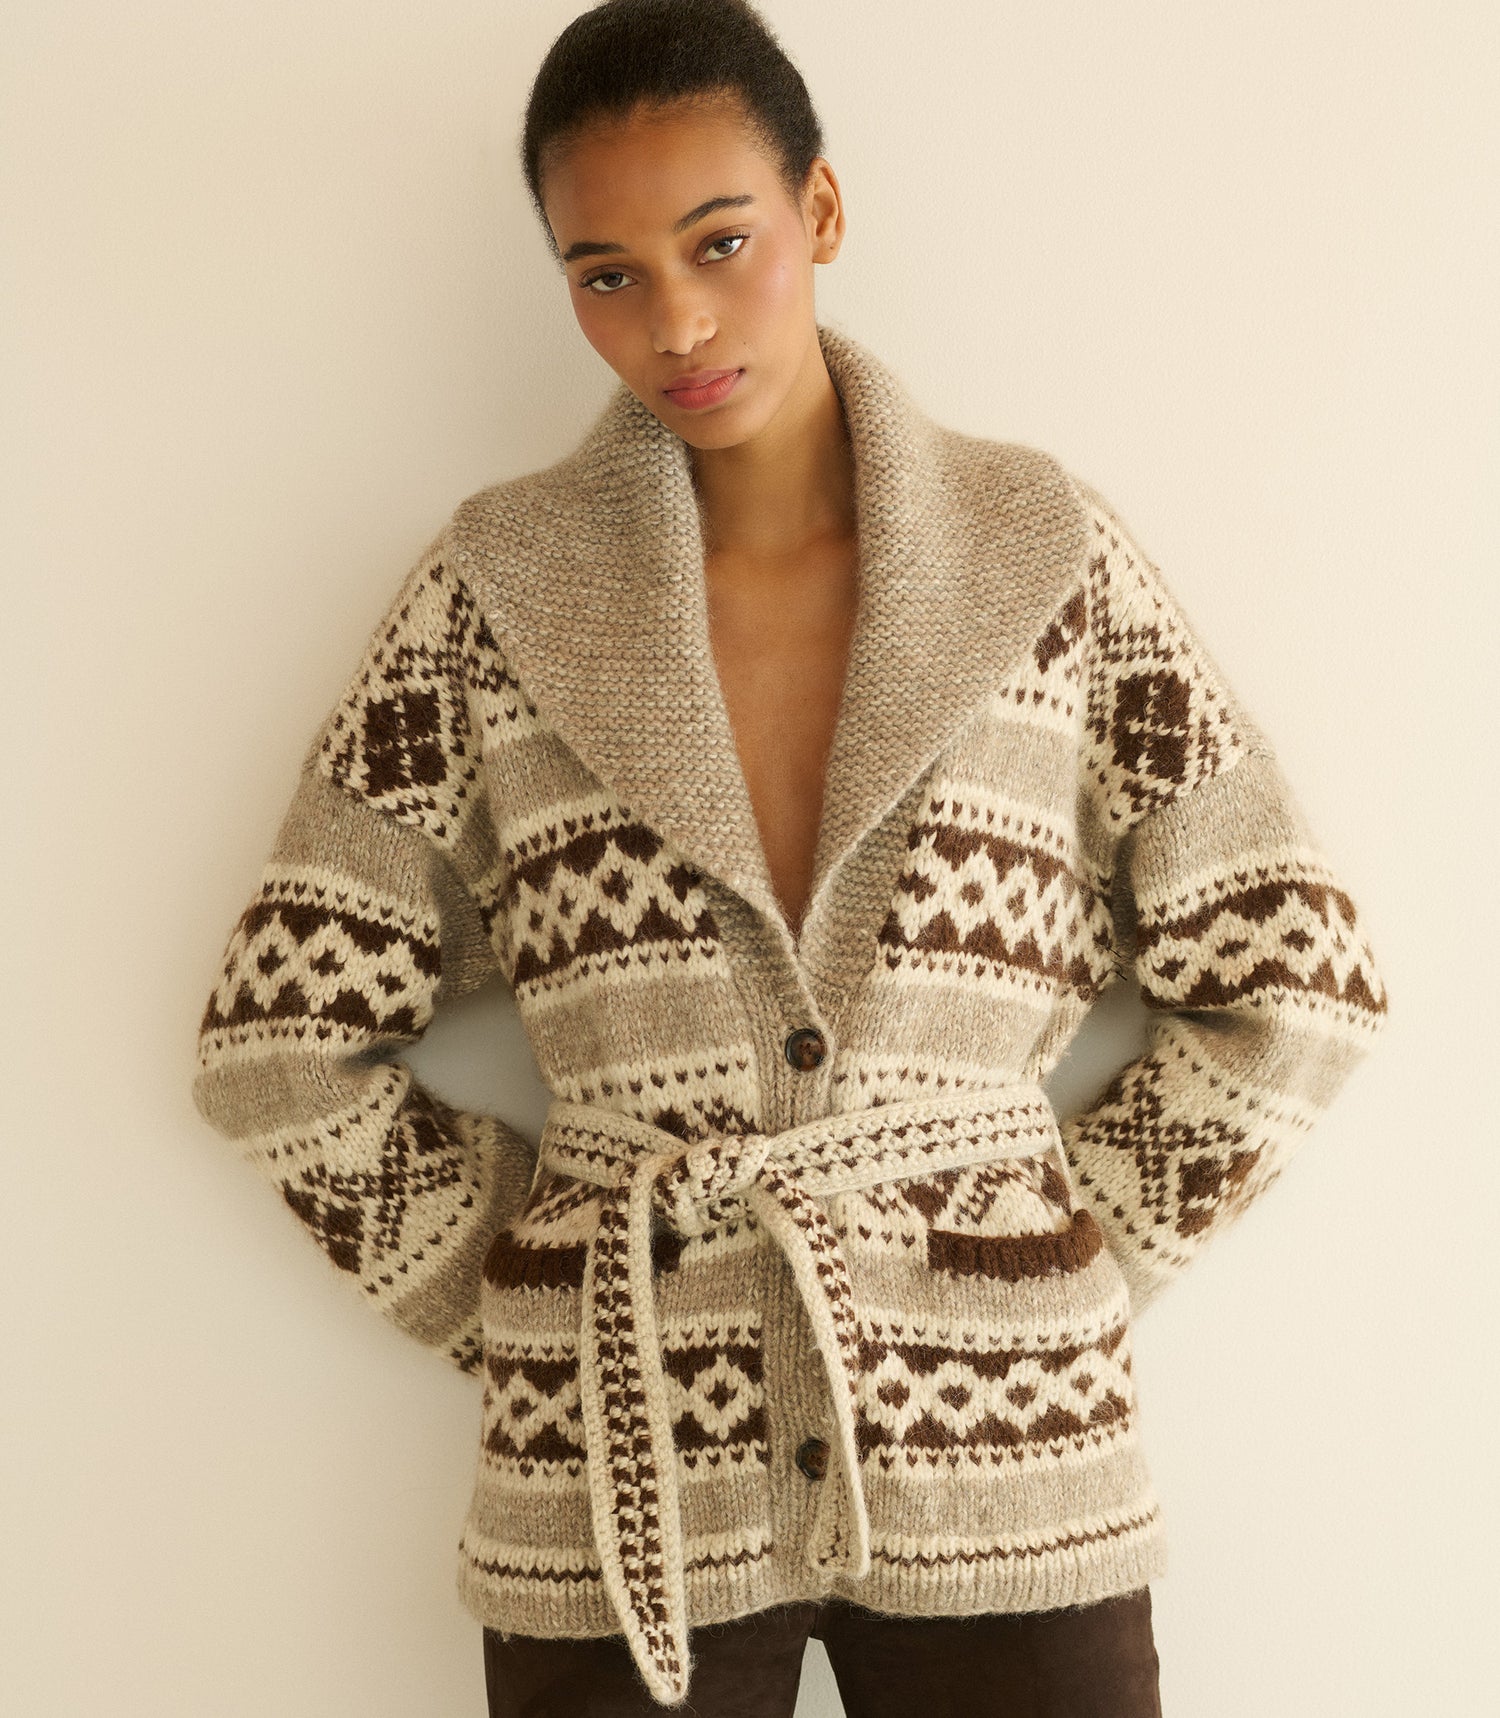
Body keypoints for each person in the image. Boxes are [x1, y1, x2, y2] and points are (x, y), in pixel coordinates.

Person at [191, 2, 1391, 1714]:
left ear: (820, 211)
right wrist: (533, 1304)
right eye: (604, 273)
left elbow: (1297, 977)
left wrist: (1042, 1264)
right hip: (613, 1484)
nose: (673, 319)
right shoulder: (497, 600)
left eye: (720, 242)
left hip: (1010, 1469)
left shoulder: (1038, 558)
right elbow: (277, 1048)